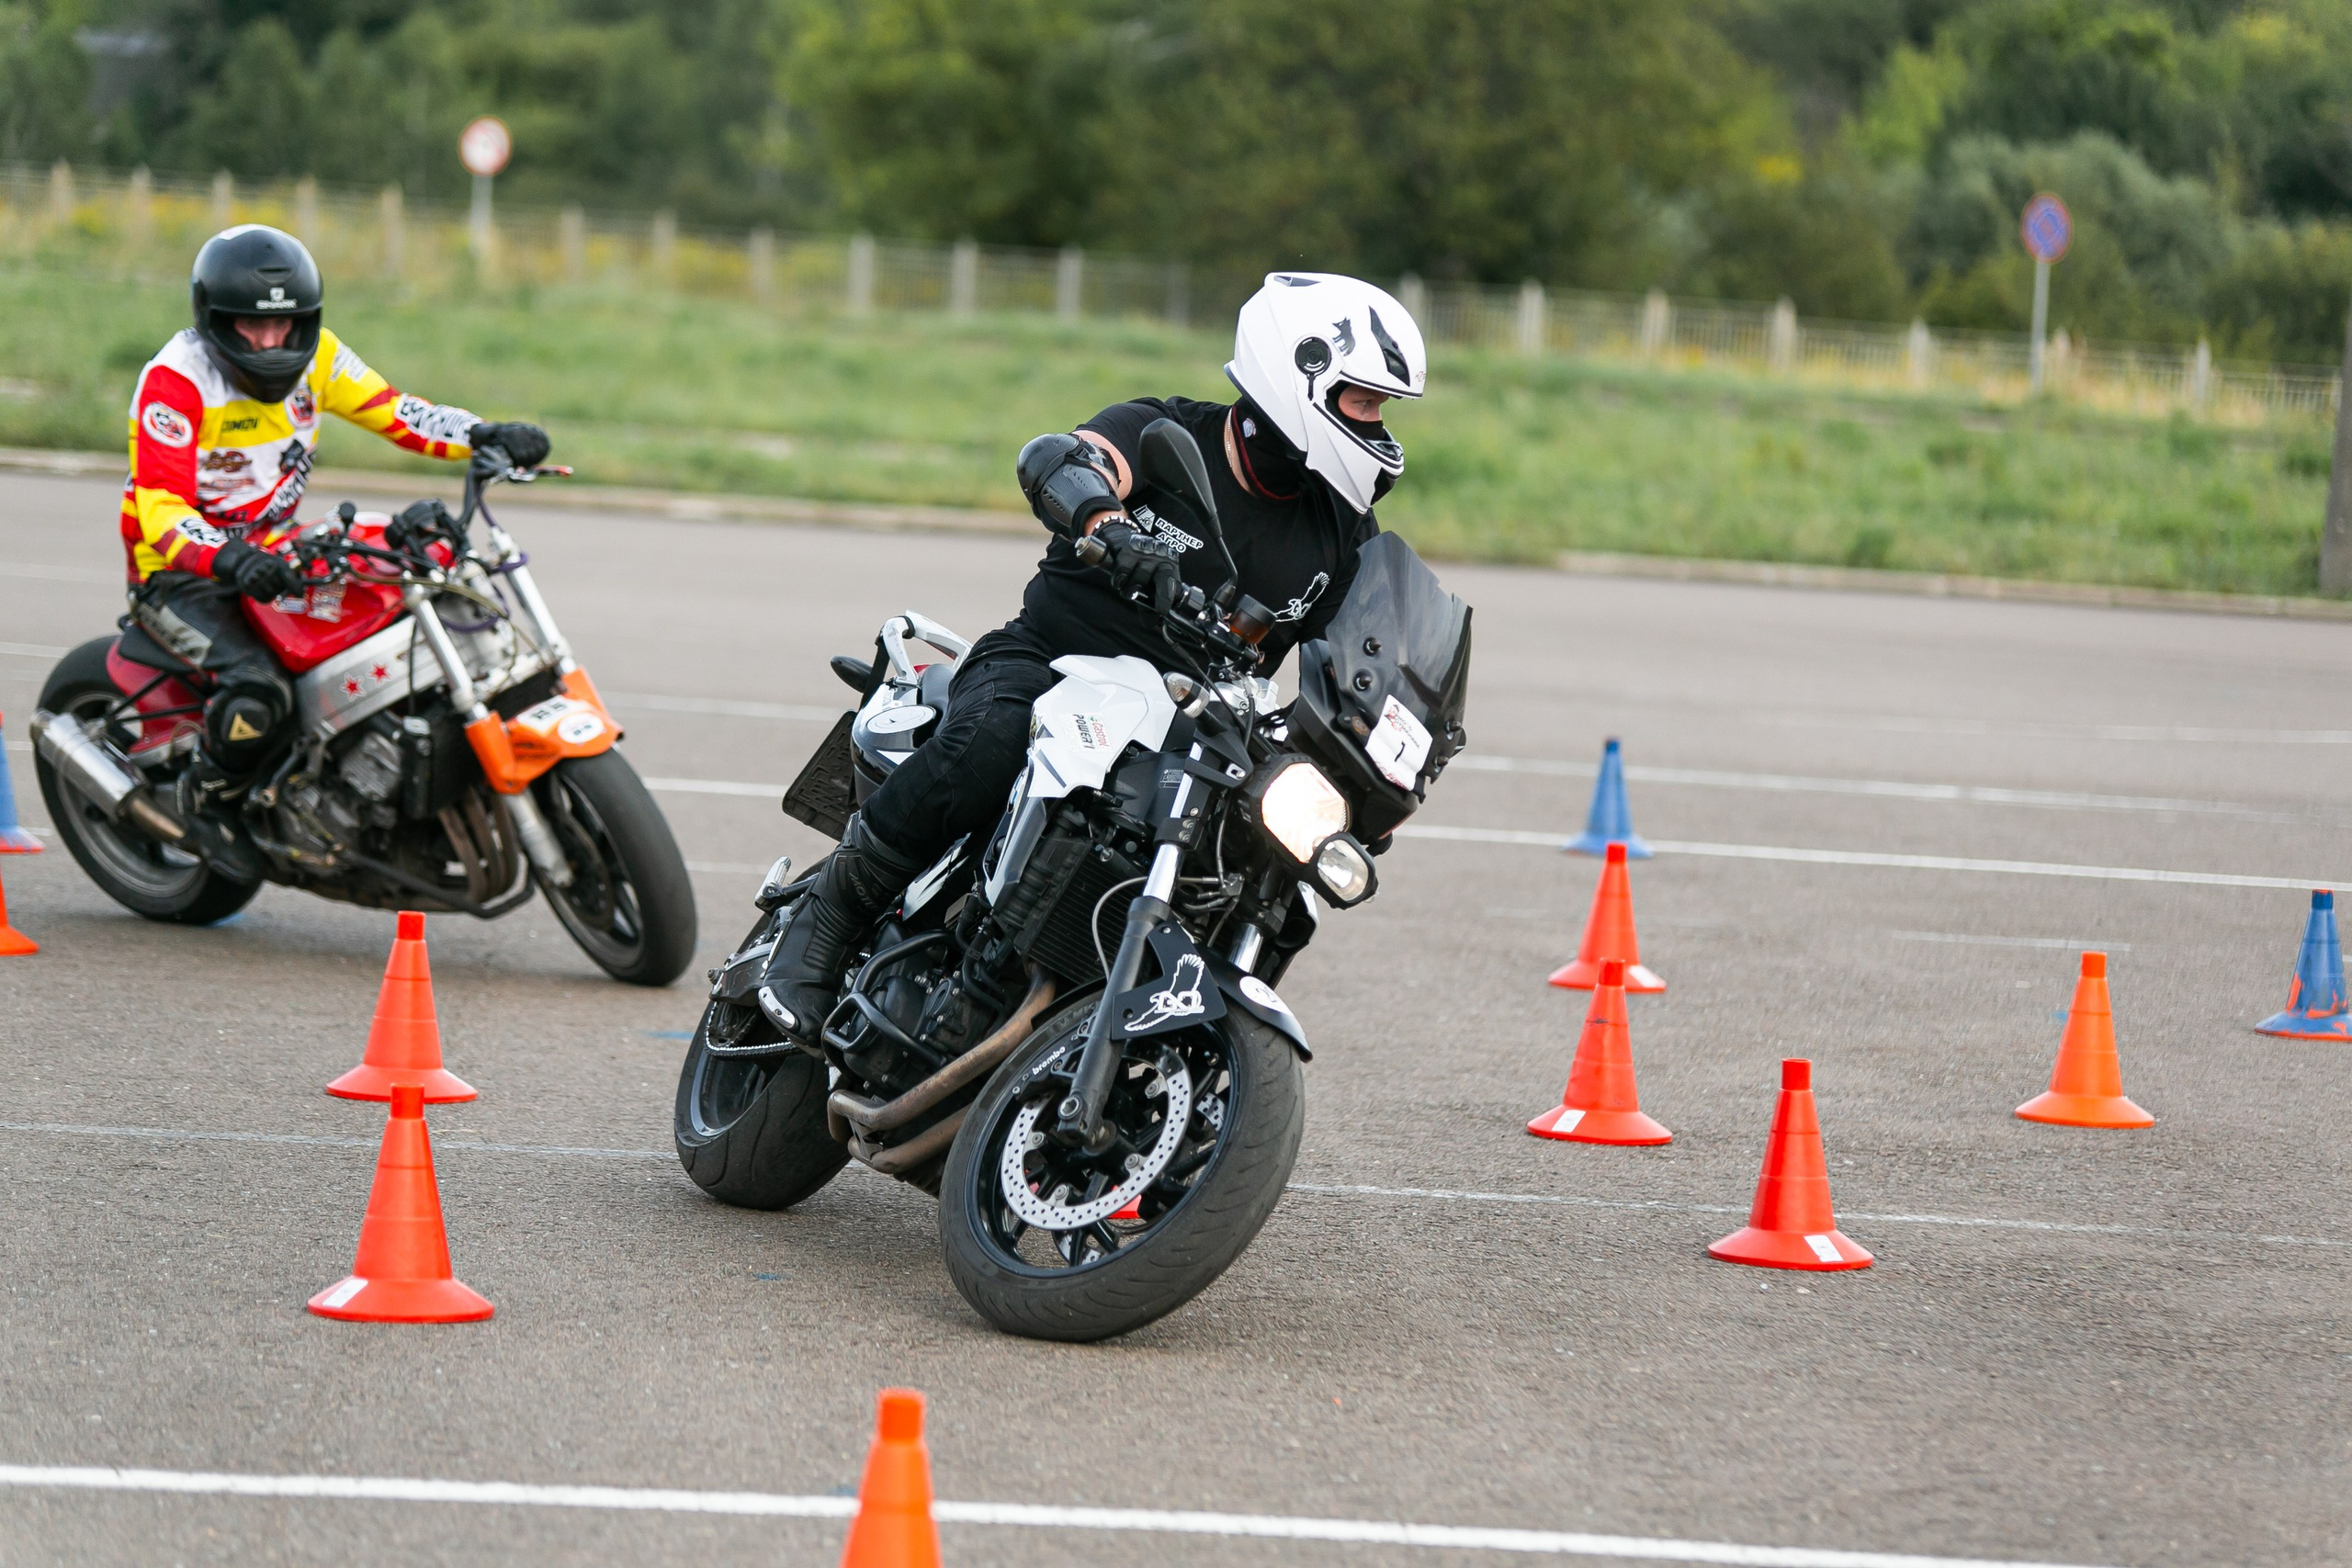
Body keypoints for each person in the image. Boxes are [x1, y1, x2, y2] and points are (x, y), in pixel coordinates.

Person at [758, 270, 1427, 1045]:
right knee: (992, 739)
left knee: (1270, 867)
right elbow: (1060, 458)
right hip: (1049, 662)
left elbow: (1359, 659)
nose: (1377, 424)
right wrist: (1107, 523)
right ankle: (824, 919)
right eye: (1363, 400)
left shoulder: (1343, 530)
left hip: (1193, 726)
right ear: (1297, 373)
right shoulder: (1163, 432)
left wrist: (1376, 760)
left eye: (1382, 407)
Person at [120, 223, 549, 881]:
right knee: (260, 692)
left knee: (386, 614)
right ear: (215, 320)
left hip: (275, 552)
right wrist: (229, 559)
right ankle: (203, 804)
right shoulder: (176, 381)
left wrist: (483, 433)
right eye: (252, 327)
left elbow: (398, 411)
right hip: (179, 575)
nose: (272, 342)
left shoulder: (318, 356)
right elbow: (159, 507)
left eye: (285, 325)